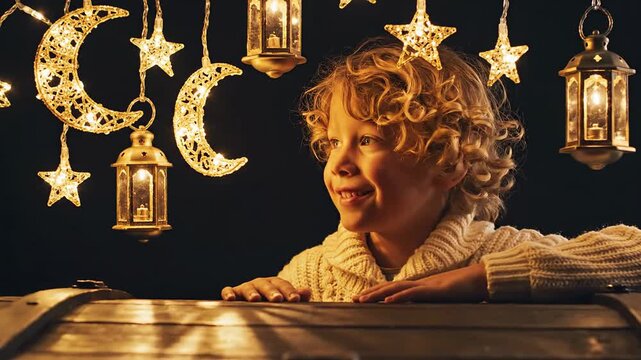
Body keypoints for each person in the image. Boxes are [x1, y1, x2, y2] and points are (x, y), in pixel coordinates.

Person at [221, 40, 641, 303]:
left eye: (368, 141)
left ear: (449, 162)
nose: (339, 164)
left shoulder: (501, 254)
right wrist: (258, 299)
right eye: (333, 142)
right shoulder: (309, 273)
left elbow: (634, 251)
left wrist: (482, 280)